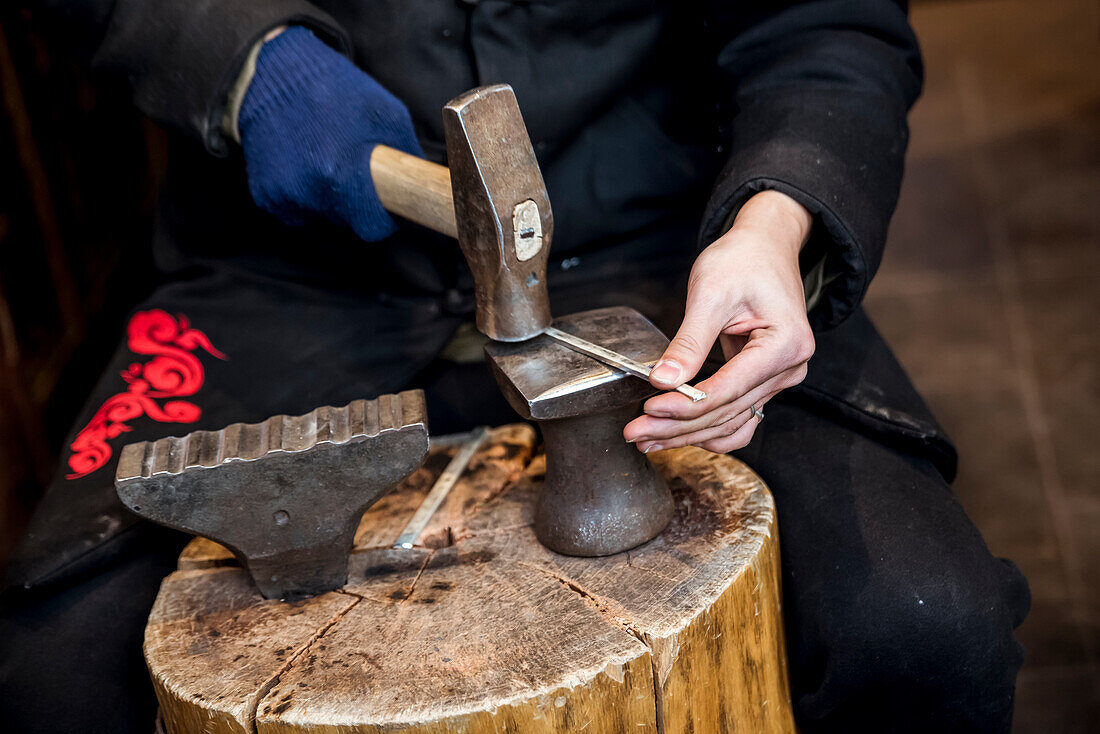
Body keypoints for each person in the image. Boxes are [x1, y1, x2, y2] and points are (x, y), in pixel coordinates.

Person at [1, 1, 1029, 732]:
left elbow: (826, 24)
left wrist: (776, 217)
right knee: (56, 679)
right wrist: (240, 56)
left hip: (664, 249)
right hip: (289, 272)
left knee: (922, 626)